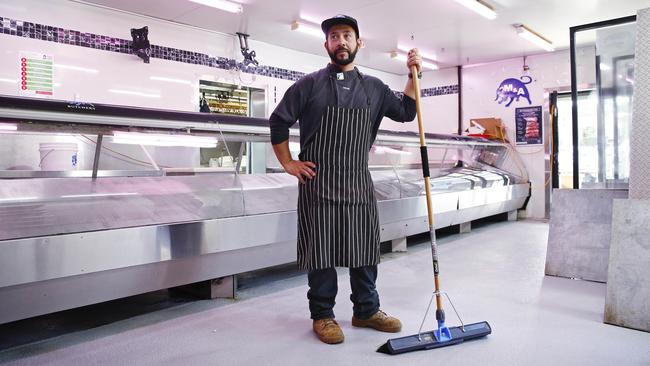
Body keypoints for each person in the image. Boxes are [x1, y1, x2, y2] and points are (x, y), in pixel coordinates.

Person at [269, 14, 422, 345]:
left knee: (365, 249)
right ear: (326, 45)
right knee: (321, 252)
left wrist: (414, 75)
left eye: (347, 35)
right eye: (334, 36)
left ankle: (366, 311)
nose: (341, 41)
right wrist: (289, 163)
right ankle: (323, 315)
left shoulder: (375, 89)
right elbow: (278, 122)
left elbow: (407, 112)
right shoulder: (309, 85)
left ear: (359, 43)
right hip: (318, 183)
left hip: (358, 180)